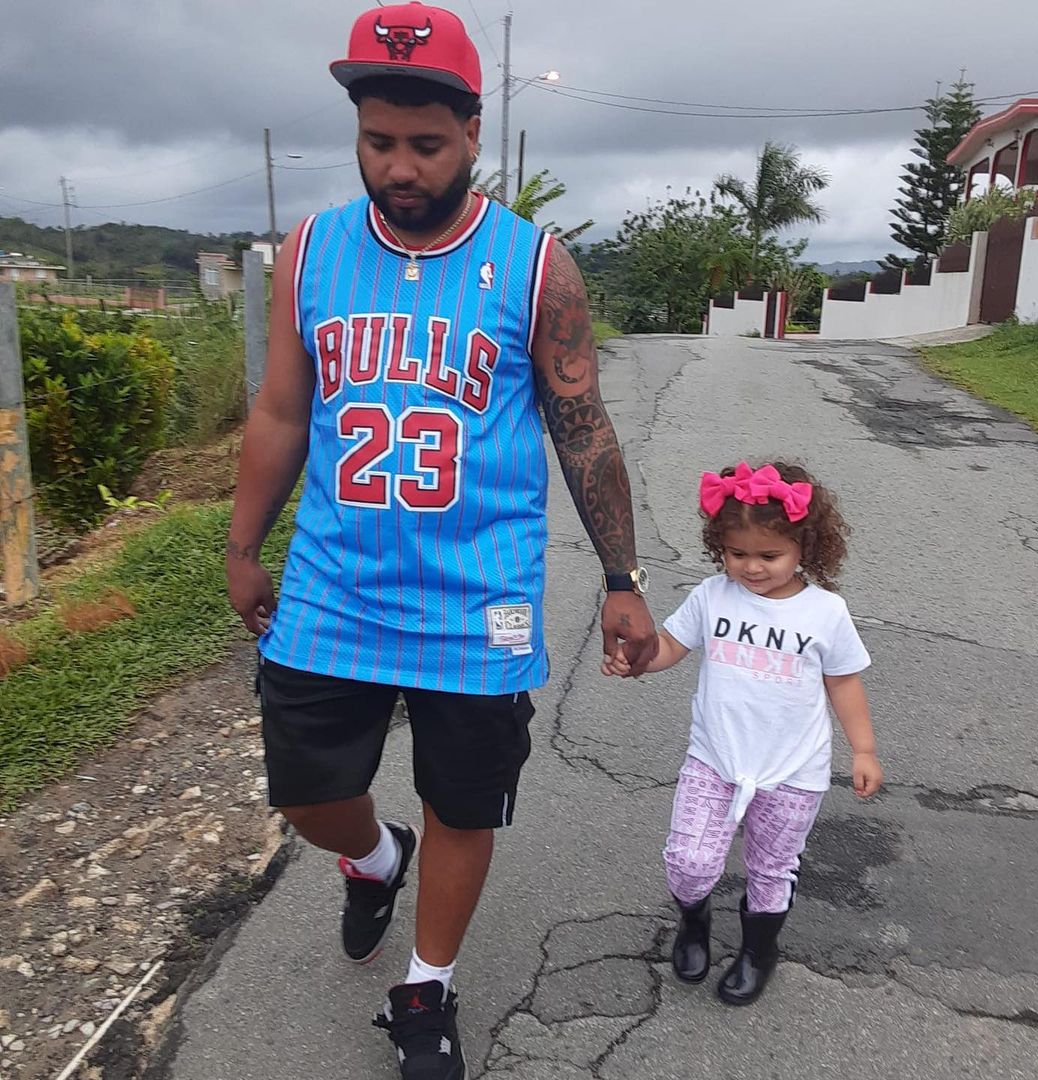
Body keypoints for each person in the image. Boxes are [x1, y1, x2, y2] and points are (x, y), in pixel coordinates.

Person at [226, 4, 657, 1077]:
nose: (400, 167)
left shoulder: (534, 265)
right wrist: (242, 546)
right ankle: (376, 858)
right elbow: (281, 412)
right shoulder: (312, 251)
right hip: (333, 583)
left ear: (471, 133)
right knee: (305, 792)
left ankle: (427, 989)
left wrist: (621, 576)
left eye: (425, 144)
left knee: (465, 802)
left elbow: (582, 425)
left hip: (479, 594)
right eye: (379, 141)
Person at [604, 461, 883, 1005]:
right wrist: (637, 660)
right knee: (689, 862)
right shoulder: (713, 596)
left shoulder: (826, 613)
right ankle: (694, 919)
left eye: (769, 556)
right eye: (736, 554)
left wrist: (864, 749)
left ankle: (759, 950)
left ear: (805, 547)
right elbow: (670, 646)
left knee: (772, 869)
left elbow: (843, 682)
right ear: (720, 548)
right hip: (714, 759)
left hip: (793, 772)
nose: (751, 567)